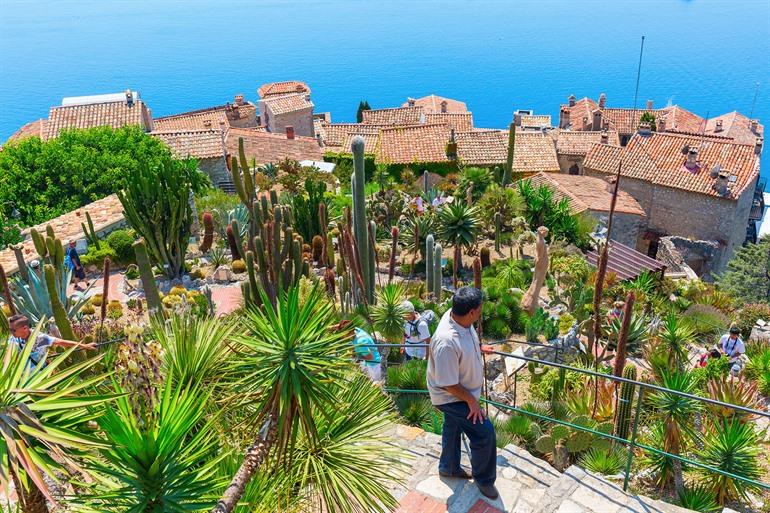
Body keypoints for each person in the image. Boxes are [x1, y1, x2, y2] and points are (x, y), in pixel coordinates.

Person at [426, 287, 498, 500]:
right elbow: (448, 384)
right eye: (480, 308)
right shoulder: (447, 342)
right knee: (484, 433)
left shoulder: (457, 317)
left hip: (460, 393)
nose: (482, 311)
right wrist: (472, 403)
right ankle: (484, 480)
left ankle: (448, 467)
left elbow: (464, 343)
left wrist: (477, 348)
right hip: (450, 397)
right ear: (472, 312)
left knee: (453, 426)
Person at [6, 314, 95, 372]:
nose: (11, 332)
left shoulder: (40, 338)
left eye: (13, 330)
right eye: (10, 329)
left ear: (25, 328)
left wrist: (85, 346)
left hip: (40, 377)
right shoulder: (13, 340)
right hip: (21, 381)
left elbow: (62, 342)